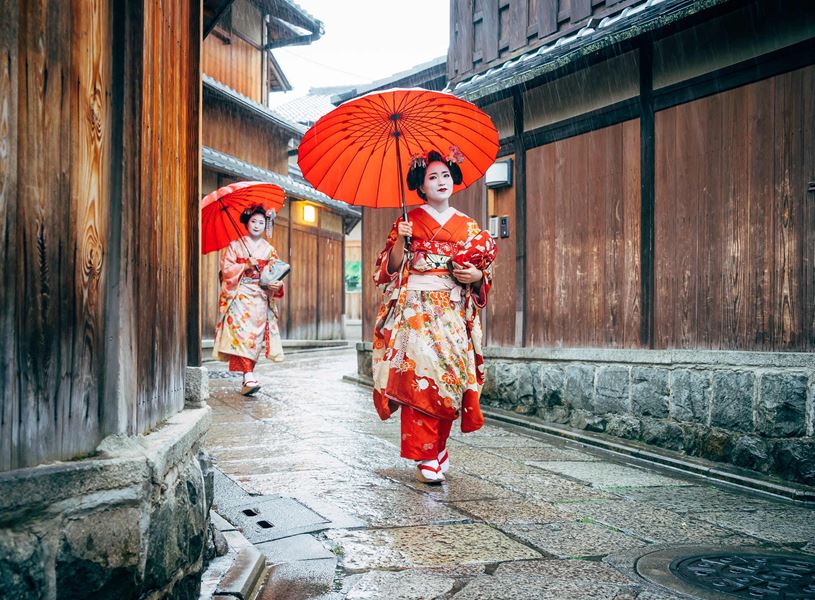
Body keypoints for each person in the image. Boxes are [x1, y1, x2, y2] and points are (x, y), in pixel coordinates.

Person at [372, 148, 497, 483]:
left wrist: (476, 277)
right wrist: (400, 242)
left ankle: (439, 445)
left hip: (453, 311)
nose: (441, 181)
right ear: (421, 186)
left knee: (449, 378)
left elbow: (482, 274)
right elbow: (387, 271)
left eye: (445, 175)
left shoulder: (468, 226)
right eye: (432, 177)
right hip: (416, 311)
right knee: (418, 378)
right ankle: (426, 454)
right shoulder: (407, 221)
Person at [213, 205, 285, 395]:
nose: (257, 225)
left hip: (260, 296)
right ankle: (248, 375)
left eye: (261, 222)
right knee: (242, 335)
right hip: (240, 294)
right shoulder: (235, 246)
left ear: (266, 225)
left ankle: (248, 375)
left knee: (255, 337)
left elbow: (275, 274)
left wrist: (276, 285)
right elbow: (226, 270)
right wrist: (245, 265)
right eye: (253, 221)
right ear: (247, 222)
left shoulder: (269, 250)